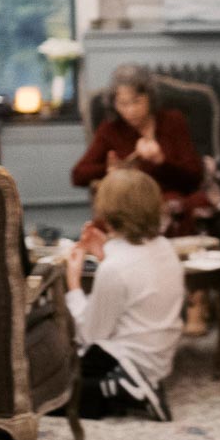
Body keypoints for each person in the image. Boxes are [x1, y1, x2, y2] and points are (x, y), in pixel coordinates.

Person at [64, 168, 185, 423]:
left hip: (127, 359)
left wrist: (73, 284)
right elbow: (136, 282)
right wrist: (102, 252)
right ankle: (122, 389)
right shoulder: (165, 248)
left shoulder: (115, 267)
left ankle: (128, 389)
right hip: (158, 357)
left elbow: (90, 334)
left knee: (55, 394)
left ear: (106, 213)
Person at [69, 65, 209, 235]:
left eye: (137, 101)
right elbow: (78, 175)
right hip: (129, 205)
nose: (131, 110)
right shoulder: (110, 129)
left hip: (171, 200)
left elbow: (195, 176)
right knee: (102, 226)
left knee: (175, 207)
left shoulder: (173, 121)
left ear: (150, 98)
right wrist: (111, 169)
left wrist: (161, 161)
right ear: (114, 104)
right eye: (123, 104)